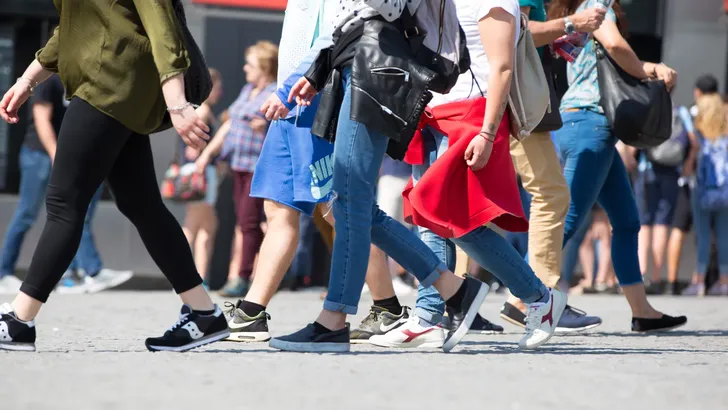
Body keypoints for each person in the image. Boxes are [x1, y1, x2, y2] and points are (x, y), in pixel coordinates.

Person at [270, 0, 502, 354]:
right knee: (352, 199)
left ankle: (334, 320)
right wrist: (315, 70)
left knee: (349, 197)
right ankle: (453, 289)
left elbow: (390, 7)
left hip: (378, 65)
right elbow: (346, 16)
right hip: (358, 61)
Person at [0, 0, 229, 352]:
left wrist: (178, 104)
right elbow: (74, 29)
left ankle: (19, 319)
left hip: (108, 84)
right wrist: (28, 80)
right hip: (116, 87)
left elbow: (162, 25)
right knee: (142, 205)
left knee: (65, 202)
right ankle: (204, 312)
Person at [367, 0, 564, 350]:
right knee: (429, 218)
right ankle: (429, 316)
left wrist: (488, 133)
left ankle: (539, 298)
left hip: (470, 116)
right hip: (428, 111)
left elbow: (502, 67)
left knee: (456, 221)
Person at [549, 0, 686, 332]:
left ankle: (642, 312)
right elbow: (613, 44)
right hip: (591, 124)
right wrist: (648, 70)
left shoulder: (575, 13)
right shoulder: (596, 7)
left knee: (626, 222)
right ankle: (523, 296)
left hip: (583, 124)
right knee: (567, 222)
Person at [498, 0, 605, 333]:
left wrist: (562, 36)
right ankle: (540, 301)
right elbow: (517, 31)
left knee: (473, 204)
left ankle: (450, 299)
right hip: (516, 100)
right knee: (552, 193)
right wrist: (572, 23)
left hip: (494, 95)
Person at [0, 74, 133, 295]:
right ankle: (4, 273)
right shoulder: (50, 77)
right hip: (39, 156)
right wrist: (56, 156)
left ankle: (73, 275)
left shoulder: (86, 77)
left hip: (69, 156)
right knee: (27, 214)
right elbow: (41, 119)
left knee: (74, 213)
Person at [195, 41, 278, 298]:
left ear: (264, 67)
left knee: (250, 223)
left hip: (258, 166)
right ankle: (244, 275)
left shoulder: (274, 92)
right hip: (238, 165)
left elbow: (282, 126)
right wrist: (208, 154)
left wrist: (264, 126)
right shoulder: (248, 90)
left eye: (250, 64)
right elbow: (229, 124)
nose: (245, 68)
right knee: (244, 222)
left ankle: (244, 277)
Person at [666, 76, 717, 295]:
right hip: (718, 185)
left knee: (679, 229)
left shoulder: (692, 113)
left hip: (692, 182)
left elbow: (692, 145)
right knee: (716, 234)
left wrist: (687, 168)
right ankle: (715, 281)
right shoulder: (723, 115)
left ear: (697, 92)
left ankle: (674, 281)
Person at [180, 68, 223, 285]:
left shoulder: (197, 110)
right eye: (218, 86)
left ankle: (198, 277)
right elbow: (192, 148)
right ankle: (185, 277)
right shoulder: (203, 110)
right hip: (201, 174)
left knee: (207, 227)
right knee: (193, 226)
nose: (220, 91)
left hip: (198, 172)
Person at [682, 94, 728, 296]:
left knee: (703, 235)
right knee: (723, 236)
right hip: (724, 192)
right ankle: (724, 281)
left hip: (701, 192)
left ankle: (698, 281)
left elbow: (689, 169)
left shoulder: (698, 136)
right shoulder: (726, 136)